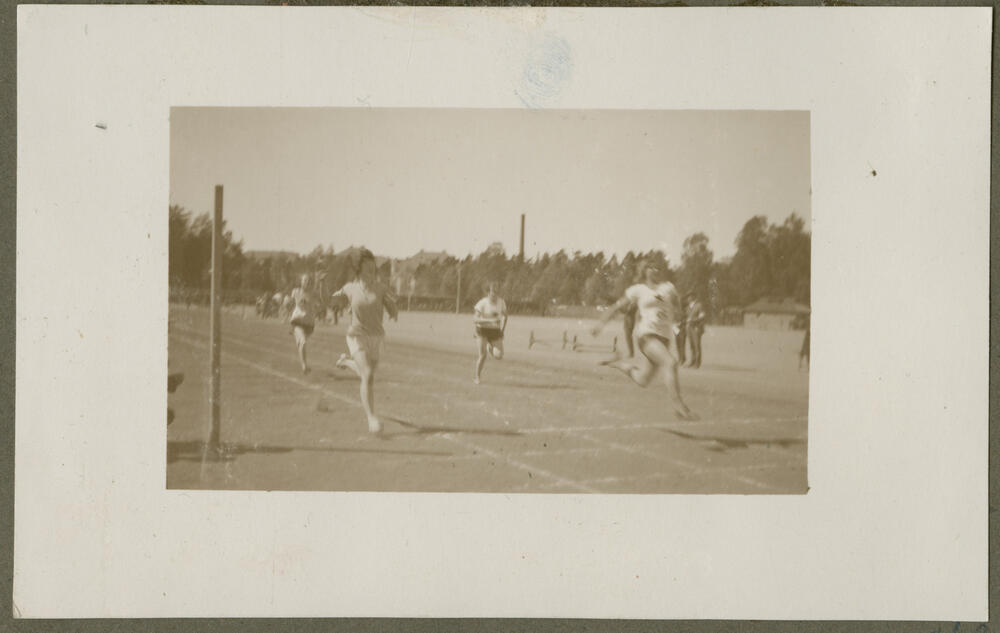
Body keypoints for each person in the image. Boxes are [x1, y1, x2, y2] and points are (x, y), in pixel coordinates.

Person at [591, 260, 696, 421]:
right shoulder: (638, 290)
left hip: (664, 338)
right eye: (651, 267)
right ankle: (678, 406)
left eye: (657, 267)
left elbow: (678, 307)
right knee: (670, 362)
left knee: (643, 380)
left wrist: (678, 314)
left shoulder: (668, 287)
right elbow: (616, 307)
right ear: (644, 271)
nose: (655, 270)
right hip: (646, 336)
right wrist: (601, 324)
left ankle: (619, 364)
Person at [330, 248, 398, 434]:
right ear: (358, 268)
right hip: (357, 335)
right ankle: (371, 418)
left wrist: (393, 311)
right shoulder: (350, 288)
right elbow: (330, 299)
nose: (371, 268)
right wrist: (323, 289)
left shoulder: (381, 288)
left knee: (367, 375)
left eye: (372, 264)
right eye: (367, 265)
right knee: (367, 374)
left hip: (376, 337)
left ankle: (345, 362)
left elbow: (391, 304)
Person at [473, 282, 508, 384]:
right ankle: (477, 377)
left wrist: (502, 331)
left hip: (495, 331)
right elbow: (475, 319)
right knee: (482, 355)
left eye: (497, 291)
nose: (495, 293)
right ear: (488, 292)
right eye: (493, 291)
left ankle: (490, 347)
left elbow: (505, 316)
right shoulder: (482, 303)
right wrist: (490, 321)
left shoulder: (501, 302)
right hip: (482, 330)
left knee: (499, 355)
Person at [289, 273, 316, 374]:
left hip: (309, 323)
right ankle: (304, 366)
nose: (306, 283)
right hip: (297, 321)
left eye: (308, 281)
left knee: (300, 344)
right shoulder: (295, 291)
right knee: (303, 341)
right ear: (301, 282)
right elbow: (291, 304)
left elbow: (324, 298)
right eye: (304, 280)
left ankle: (304, 365)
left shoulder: (313, 293)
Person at [686, 295, 706, 368]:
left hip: (696, 327)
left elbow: (702, 316)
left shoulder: (699, 305)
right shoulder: (688, 306)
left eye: (690, 296)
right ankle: (693, 361)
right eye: (688, 297)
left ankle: (697, 363)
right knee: (691, 345)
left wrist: (693, 320)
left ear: (693, 297)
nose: (688, 298)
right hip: (689, 327)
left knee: (697, 345)